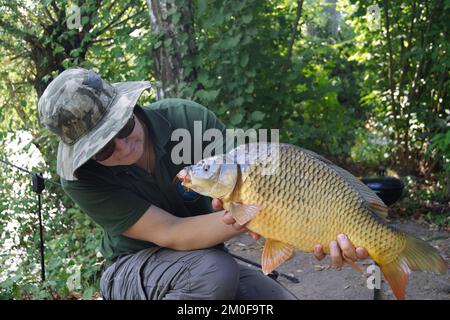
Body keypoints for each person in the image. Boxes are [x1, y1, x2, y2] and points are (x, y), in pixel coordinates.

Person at [37, 67, 369, 300]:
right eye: (105, 148)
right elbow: (171, 233)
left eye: (122, 129)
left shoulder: (187, 121)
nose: (124, 147)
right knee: (215, 273)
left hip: (204, 262)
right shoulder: (81, 178)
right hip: (132, 269)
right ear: (87, 155)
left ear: (129, 109)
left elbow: (265, 180)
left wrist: (318, 224)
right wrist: (254, 215)